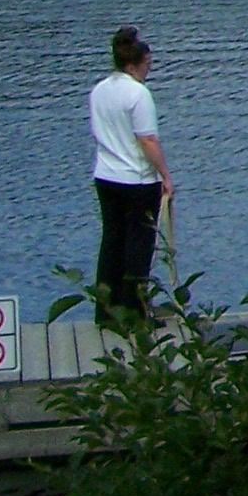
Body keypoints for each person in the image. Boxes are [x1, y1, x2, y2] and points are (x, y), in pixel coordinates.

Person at [89, 26, 172, 321]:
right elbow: (147, 139)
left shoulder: (100, 89)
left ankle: (106, 310)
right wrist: (165, 176)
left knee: (112, 242)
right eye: (148, 64)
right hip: (136, 180)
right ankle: (134, 313)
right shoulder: (138, 94)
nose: (149, 70)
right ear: (134, 64)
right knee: (139, 247)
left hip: (105, 176)